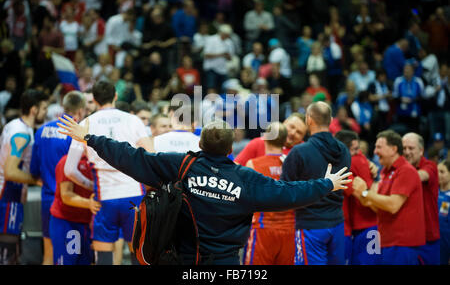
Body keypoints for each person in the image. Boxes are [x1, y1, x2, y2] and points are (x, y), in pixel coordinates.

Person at [56, 117, 352, 265]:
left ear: (200, 144)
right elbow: (288, 193)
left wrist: (89, 137)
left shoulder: (181, 165)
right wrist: (327, 184)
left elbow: (130, 157)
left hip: (184, 257)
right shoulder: (246, 179)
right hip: (225, 262)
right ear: (229, 149)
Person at [63, 80, 153, 265]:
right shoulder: (133, 120)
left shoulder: (86, 123)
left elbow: (69, 170)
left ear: (94, 100)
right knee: (138, 252)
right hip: (134, 195)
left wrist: (90, 186)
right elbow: (152, 156)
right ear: (116, 96)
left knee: (104, 256)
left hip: (105, 197)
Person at [281, 101, 351, 265]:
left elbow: (285, 193)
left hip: (310, 225)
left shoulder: (299, 152)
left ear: (309, 120)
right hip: (338, 224)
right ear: (331, 119)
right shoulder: (344, 150)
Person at [352, 130, 426, 265]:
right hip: (388, 242)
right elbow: (381, 207)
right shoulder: (385, 172)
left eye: (379, 147)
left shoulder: (406, 170)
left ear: (393, 149)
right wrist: (363, 198)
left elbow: (393, 206)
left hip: (403, 245)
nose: (375, 151)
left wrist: (366, 193)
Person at [30, 90, 86, 265]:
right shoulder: (75, 133)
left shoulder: (41, 130)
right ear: (81, 110)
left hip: (47, 198)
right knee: (75, 256)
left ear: (64, 107)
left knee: (49, 252)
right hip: (70, 204)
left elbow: (33, 169)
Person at [0, 89, 48, 265]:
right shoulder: (21, 134)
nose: (45, 112)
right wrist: (36, 180)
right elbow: (11, 171)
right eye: (44, 108)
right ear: (34, 109)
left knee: (13, 251)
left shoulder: (13, 125)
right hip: (8, 193)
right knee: (8, 252)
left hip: (10, 192)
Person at [243, 122, 296, 265]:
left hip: (262, 228)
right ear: (285, 141)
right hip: (290, 229)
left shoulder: (253, 165)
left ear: (265, 137)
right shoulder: (294, 164)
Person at [334, 130, 380, 265]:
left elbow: (366, 194)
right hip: (353, 227)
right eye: (354, 149)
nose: (358, 152)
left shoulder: (358, 159)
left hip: (362, 226)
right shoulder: (355, 161)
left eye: (358, 148)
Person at [49, 154, 101, 265]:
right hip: (66, 222)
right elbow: (66, 195)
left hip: (85, 223)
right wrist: (89, 204)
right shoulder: (67, 161)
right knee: (68, 261)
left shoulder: (95, 162)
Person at [402, 132, 440, 265]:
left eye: (411, 148)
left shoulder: (430, 166)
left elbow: (419, 176)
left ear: (421, 150)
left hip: (428, 239)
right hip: (406, 239)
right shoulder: (399, 169)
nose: (407, 152)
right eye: (404, 148)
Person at [235, 112, 307, 166]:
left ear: (302, 138)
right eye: (292, 127)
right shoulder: (259, 143)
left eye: (299, 132)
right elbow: (235, 166)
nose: (293, 133)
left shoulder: (304, 151)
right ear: (284, 123)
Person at [438, 160, 450, 265]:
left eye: (442, 172)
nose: (438, 175)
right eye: (437, 171)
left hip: (446, 244)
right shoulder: (433, 192)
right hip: (431, 244)